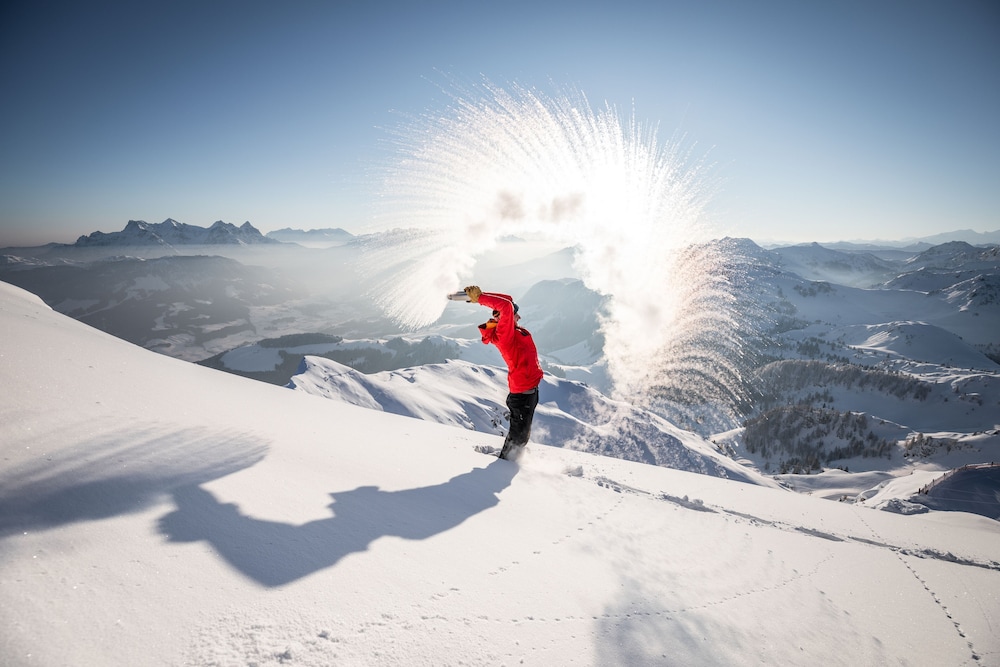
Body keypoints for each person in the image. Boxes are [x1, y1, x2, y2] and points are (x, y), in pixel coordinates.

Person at [464, 285, 543, 461]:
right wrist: (481, 299)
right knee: (519, 437)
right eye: (516, 315)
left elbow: (508, 300)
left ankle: (513, 459)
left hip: (529, 391)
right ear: (504, 318)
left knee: (522, 435)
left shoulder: (512, 330)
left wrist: (481, 296)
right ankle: (505, 464)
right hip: (522, 394)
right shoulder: (504, 336)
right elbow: (506, 306)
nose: (519, 317)